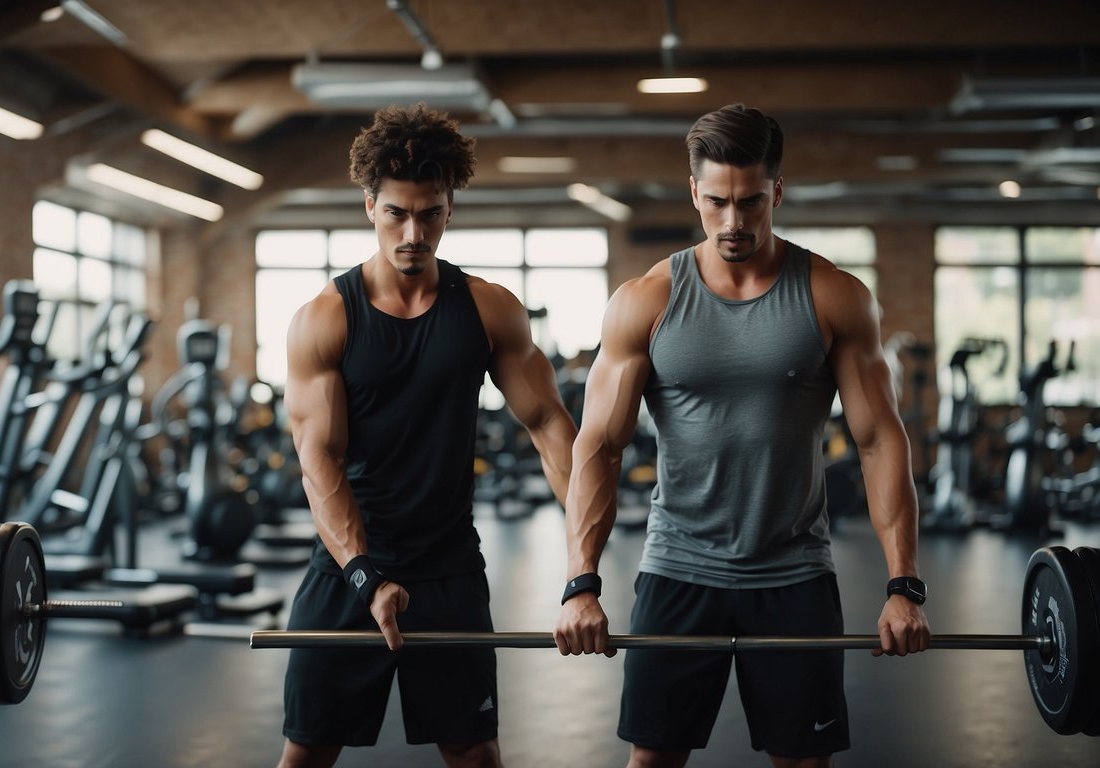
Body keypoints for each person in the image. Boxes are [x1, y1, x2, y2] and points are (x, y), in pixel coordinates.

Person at [552, 103, 932, 768]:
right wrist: (580, 581)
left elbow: (879, 440)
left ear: (776, 192)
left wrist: (904, 586)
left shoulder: (833, 295)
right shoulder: (646, 300)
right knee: (653, 759)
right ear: (694, 191)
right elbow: (599, 445)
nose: (734, 222)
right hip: (677, 570)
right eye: (718, 202)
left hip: (793, 574)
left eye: (752, 201)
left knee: (803, 761)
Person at [277, 103, 577, 768]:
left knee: (473, 751)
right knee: (307, 752)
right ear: (369, 206)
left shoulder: (488, 309)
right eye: (396, 213)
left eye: (430, 213)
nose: (414, 232)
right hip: (347, 569)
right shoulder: (325, 318)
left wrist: (583, 567)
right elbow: (317, 457)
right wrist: (365, 575)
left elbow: (551, 427)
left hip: (448, 570)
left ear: (450, 209)